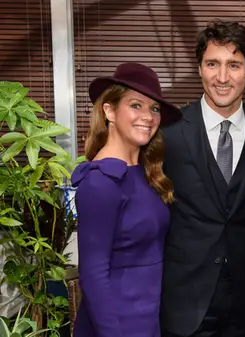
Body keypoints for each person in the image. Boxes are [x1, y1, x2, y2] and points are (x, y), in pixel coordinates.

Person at [160, 19, 245, 337]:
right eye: (212, 64)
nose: (223, 77)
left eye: (234, 64)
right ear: (200, 68)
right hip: (185, 299)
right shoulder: (168, 132)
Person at [72, 62, 182, 337]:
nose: (148, 116)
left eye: (154, 108)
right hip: (115, 324)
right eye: (136, 105)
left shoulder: (146, 173)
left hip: (148, 318)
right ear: (109, 110)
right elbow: (93, 274)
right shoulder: (100, 180)